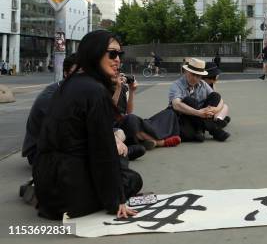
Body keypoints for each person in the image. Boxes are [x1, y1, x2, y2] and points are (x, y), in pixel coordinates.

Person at [33, 30, 142, 220]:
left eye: (120, 54)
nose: (118, 60)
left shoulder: (69, 84)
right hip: (69, 195)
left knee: (120, 160)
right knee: (132, 179)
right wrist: (117, 201)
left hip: (47, 186)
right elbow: (102, 151)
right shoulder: (95, 91)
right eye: (112, 54)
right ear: (94, 53)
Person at [21, 54, 78, 166]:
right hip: (38, 152)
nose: (81, 78)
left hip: (56, 147)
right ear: (66, 74)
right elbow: (69, 128)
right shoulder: (52, 96)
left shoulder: (74, 91)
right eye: (76, 73)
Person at [169, 58, 230, 142]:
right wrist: (198, 113)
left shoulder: (203, 83)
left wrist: (215, 109)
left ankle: (200, 129)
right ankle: (213, 129)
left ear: (201, 76)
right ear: (186, 72)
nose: (194, 78)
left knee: (215, 95)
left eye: (198, 76)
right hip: (185, 116)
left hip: (203, 114)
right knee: (189, 101)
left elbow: (220, 100)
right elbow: (176, 105)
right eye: (192, 74)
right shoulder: (176, 85)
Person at [202, 62, 231, 128]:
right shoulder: (202, 84)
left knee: (224, 106)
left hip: (211, 108)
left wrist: (217, 109)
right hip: (205, 108)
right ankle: (218, 119)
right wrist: (216, 109)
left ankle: (219, 120)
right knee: (223, 106)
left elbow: (219, 99)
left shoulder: (211, 84)